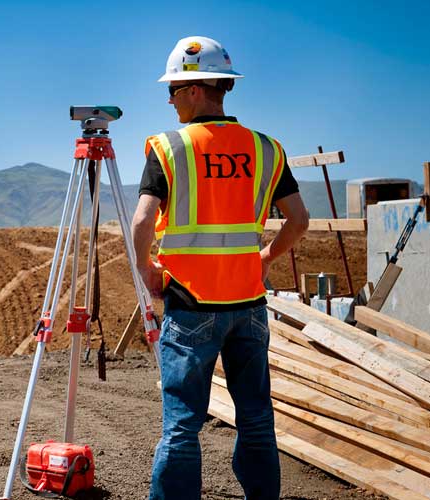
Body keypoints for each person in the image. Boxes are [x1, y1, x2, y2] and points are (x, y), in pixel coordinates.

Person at [131, 36, 309, 500]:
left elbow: (143, 220)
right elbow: (300, 219)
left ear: (193, 89)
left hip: (190, 304)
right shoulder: (266, 149)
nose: (169, 101)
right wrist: (266, 258)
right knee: (255, 418)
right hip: (248, 304)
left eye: (172, 90)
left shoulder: (169, 147)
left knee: (182, 426)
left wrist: (146, 268)